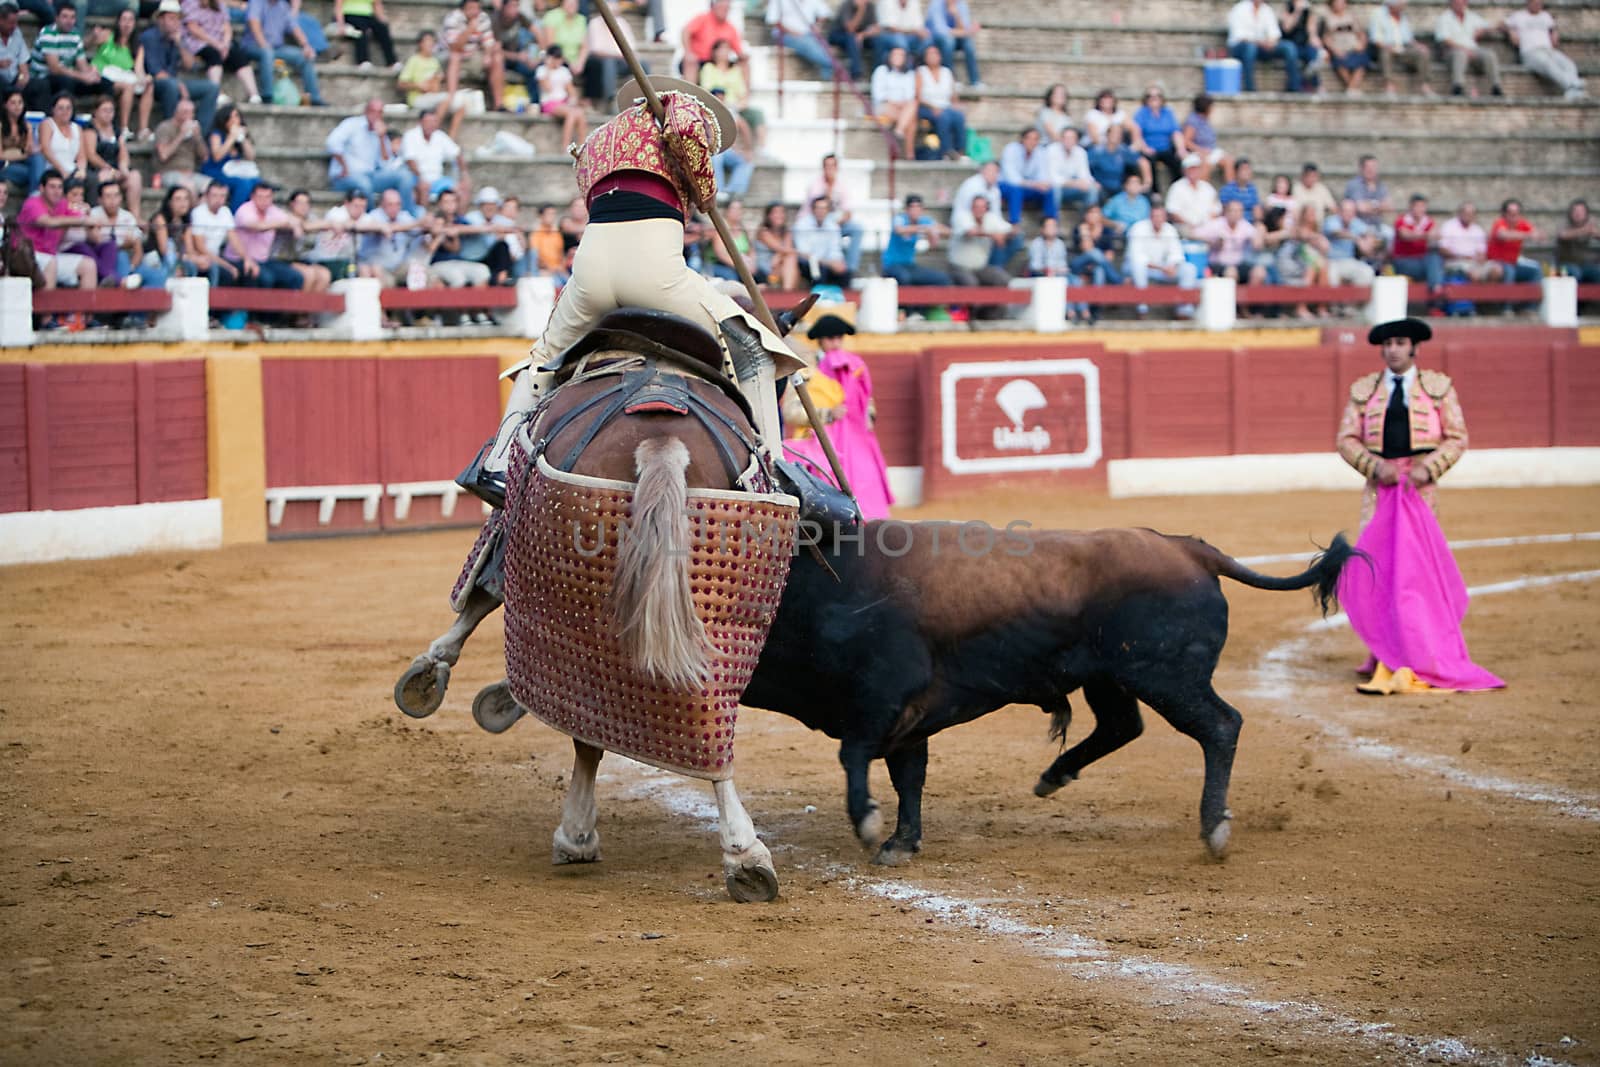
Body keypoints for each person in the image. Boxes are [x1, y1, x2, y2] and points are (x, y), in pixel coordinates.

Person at [461, 75, 807, 505]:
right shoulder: (680, 110)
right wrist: (706, 190)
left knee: (541, 360)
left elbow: (587, 184)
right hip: (652, 264)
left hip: (590, 265)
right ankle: (770, 478)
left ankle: (497, 463)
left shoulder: (600, 136)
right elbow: (683, 132)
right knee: (753, 350)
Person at [1335, 317, 1500, 695]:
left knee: (1417, 571)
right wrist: (1375, 466)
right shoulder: (1365, 391)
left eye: (1399, 342)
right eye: (1387, 343)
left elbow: (1457, 437)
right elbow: (1346, 440)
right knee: (1380, 568)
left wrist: (1430, 468)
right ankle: (1384, 653)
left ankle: (1422, 650)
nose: (1393, 348)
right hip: (1380, 490)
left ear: (1414, 348)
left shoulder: (1438, 388)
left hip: (1419, 490)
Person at [783, 313, 894, 520]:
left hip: (852, 444)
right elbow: (790, 412)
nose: (835, 343)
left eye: (839, 338)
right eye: (830, 338)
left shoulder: (851, 368)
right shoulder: (804, 372)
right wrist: (827, 415)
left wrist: (867, 416)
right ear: (821, 341)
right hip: (816, 445)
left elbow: (866, 400)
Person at [328, 99, 416, 213]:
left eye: (380, 112)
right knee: (364, 184)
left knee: (405, 176)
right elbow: (332, 143)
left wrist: (381, 138)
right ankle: (371, 217)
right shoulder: (351, 124)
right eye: (373, 111)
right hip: (346, 176)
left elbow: (386, 163)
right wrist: (344, 167)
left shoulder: (380, 132)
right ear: (366, 111)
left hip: (371, 175)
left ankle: (406, 216)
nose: (376, 115)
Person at [21, 169, 99, 291]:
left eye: (59, 187)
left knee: (88, 265)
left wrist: (87, 214)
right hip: (29, 256)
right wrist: (83, 221)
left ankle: (83, 310)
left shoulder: (62, 204)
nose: (57, 192)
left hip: (51, 256)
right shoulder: (32, 203)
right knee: (51, 263)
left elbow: (87, 222)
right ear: (42, 188)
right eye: (52, 187)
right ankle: (46, 310)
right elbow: (49, 222)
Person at [181, 0, 261, 106]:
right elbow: (193, 28)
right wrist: (216, 44)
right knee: (213, 55)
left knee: (239, 56)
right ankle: (217, 93)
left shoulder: (219, 4)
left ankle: (254, 95)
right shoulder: (189, 3)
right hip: (198, 43)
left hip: (220, 43)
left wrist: (225, 44)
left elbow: (227, 26)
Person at [1124, 200, 1195, 318]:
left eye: (1160, 216)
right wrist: (1163, 268)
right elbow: (1137, 257)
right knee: (1138, 266)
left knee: (1189, 269)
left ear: (1165, 218)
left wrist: (1171, 266)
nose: (1157, 219)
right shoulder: (1138, 228)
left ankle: (1184, 309)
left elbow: (1176, 253)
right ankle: (1142, 307)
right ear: (1150, 217)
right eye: (1155, 216)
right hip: (1136, 268)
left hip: (1161, 268)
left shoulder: (1170, 230)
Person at [25, 2, 101, 113]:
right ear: (56, 18)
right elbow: (55, 68)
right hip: (42, 79)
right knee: (66, 81)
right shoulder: (48, 34)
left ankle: (105, 123)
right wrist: (82, 76)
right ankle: (68, 119)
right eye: (65, 17)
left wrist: (91, 74)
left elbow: (82, 65)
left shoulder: (75, 35)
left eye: (72, 17)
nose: (69, 21)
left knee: (104, 84)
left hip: (66, 76)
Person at [246, 0, 325, 107]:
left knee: (304, 57)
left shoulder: (283, 6)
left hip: (277, 48)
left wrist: (306, 45)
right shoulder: (256, 2)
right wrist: (264, 44)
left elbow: (294, 27)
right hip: (253, 46)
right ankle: (267, 96)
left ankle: (314, 98)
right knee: (267, 54)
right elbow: (254, 23)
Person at [1502, 0, 1585, 100]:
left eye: (1540, 3)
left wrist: (1554, 32)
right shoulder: (1518, 16)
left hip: (1548, 50)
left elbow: (1553, 28)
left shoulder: (1545, 16)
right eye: (1535, 3)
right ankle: (1573, 85)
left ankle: (1574, 89)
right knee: (1548, 64)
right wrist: (1511, 31)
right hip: (1530, 52)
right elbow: (1501, 25)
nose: (1538, 5)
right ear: (1529, 3)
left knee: (1569, 64)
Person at [399, 31, 473, 142]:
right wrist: (418, 85)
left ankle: (451, 139)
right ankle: (432, 132)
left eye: (432, 42)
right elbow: (401, 84)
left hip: (433, 97)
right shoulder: (414, 60)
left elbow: (437, 85)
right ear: (420, 44)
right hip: (417, 98)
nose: (430, 44)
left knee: (462, 105)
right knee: (446, 98)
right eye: (427, 41)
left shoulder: (434, 62)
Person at [944, 192, 1010, 310]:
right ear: (971, 208)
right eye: (976, 207)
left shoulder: (991, 218)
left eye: (982, 207)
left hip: (979, 267)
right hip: (958, 266)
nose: (978, 210)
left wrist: (1004, 236)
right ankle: (972, 319)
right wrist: (994, 235)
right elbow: (970, 232)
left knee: (1002, 278)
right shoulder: (962, 217)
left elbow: (1011, 229)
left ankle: (991, 316)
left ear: (986, 208)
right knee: (971, 283)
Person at [96, 8, 155, 136]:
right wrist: (93, 36)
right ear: (118, 22)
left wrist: (145, 79)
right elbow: (88, 45)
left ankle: (143, 129)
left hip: (124, 76)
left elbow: (139, 69)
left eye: (130, 20)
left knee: (149, 86)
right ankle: (124, 128)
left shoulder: (137, 46)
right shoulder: (107, 35)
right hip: (103, 75)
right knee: (128, 87)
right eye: (124, 20)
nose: (127, 23)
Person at [440, 0, 504, 111]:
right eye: (471, 8)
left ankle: (499, 104)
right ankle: (452, 100)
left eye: (477, 8)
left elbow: (488, 41)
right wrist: (469, 29)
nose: (475, 12)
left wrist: (488, 55)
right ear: (463, 8)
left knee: (497, 57)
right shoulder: (453, 18)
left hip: (473, 56)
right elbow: (455, 47)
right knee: (455, 56)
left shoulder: (483, 17)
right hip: (450, 58)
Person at [805, 153, 862, 274]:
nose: (829, 169)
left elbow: (848, 211)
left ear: (837, 168)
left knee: (857, 228)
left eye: (832, 166)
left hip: (836, 221)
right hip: (816, 222)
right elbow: (818, 209)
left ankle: (851, 268)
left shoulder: (842, 185)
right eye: (827, 166)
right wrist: (829, 193)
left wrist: (838, 221)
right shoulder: (815, 185)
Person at [1227, 0, 1301, 93]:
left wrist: (1271, 42)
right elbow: (1239, 36)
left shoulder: (1267, 10)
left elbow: (1274, 33)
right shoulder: (1239, 9)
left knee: (1289, 47)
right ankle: (1250, 89)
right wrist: (1260, 43)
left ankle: (1294, 87)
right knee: (1250, 48)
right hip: (1240, 47)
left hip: (1262, 47)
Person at [1434, 0, 1502, 98]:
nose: (1460, 5)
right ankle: (1458, 87)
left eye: (1463, 2)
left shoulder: (1472, 16)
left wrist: (1482, 31)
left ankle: (1496, 87)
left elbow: (1488, 26)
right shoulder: (1444, 18)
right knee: (1460, 54)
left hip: (1472, 49)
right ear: (1452, 3)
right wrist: (1464, 49)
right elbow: (1444, 40)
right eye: (1457, 2)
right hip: (1452, 51)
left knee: (1489, 54)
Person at [880, 192, 951, 285]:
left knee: (942, 279)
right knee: (904, 278)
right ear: (907, 210)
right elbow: (899, 230)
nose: (915, 211)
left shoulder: (924, 221)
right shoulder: (900, 219)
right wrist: (923, 228)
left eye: (918, 207)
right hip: (892, 265)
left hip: (909, 265)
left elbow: (947, 231)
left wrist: (933, 232)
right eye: (912, 207)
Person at [401, 106, 464, 209]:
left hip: (437, 179)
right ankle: (423, 219)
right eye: (428, 121)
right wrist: (421, 179)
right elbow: (410, 161)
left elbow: (457, 153)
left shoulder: (440, 136)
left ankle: (458, 220)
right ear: (421, 122)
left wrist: (464, 175)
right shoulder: (410, 136)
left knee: (460, 189)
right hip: (416, 178)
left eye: (434, 121)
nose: (431, 124)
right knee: (423, 187)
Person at [1367, 0, 1432, 96]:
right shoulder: (1378, 14)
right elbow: (1375, 38)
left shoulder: (1403, 16)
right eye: (1400, 5)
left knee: (1423, 52)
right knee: (1385, 52)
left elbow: (1409, 38)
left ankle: (1425, 85)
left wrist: (1419, 46)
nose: (1402, 7)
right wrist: (1388, 47)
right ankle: (1389, 85)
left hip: (1403, 48)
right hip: (1385, 47)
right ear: (1391, 5)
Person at [1194, 198, 1266, 283]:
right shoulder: (1216, 224)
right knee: (1231, 272)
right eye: (1234, 211)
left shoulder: (1244, 225)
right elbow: (1193, 234)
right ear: (1226, 212)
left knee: (1259, 271)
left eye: (1240, 211)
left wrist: (1259, 236)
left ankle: (1252, 296)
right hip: (1218, 264)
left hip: (1240, 264)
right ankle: (1235, 296)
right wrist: (1212, 241)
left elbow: (1257, 243)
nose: (1237, 214)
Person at [187, 176, 242, 286]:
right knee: (226, 273)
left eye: (222, 196)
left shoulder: (226, 212)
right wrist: (227, 266)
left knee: (246, 270)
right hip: (202, 257)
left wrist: (247, 259)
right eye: (215, 195)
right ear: (207, 196)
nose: (218, 199)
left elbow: (235, 239)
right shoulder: (198, 213)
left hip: (217, 257)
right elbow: (200, 247)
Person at [201, 102, 257, 209]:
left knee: (256, 182)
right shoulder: (216, 134)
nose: (234, 120)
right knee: (243, 184)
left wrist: (243, 139)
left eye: (236, 116)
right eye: (231, 117)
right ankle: (235, 214)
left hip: (234, 171)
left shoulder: (240, 135)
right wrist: (231, 138)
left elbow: (251, 156)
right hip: (217, 171)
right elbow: (217, 156)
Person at [913, 42, 963, 160]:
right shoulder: (921, 72)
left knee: (959, 116)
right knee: (943, 117)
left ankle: (960, 151)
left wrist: (956, 104)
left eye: (935, 53)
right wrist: (933, 107)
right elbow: (918, 97)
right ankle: (945, 152)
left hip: (945, 106)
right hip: (926, 107)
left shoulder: (946, 72)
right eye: (930, 54)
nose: (933, 56)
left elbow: (953, 94)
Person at [997, 126, 1055, 224]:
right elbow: (1012, 178)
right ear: (1022, 139)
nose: (1032, 142)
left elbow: (1043, 175)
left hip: (1028, 187)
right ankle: (1015, 222)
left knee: (1050, 190)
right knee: (1016, 190)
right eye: (1029, 138)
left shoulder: (1040, 152)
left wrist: (1042, 184)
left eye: (1035, 139)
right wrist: (1034, 184)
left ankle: (1050, 223)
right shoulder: (1011, 149)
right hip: (1006, 185)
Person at [1390, 192, 1443, 296]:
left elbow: (1435, 234)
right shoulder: (1402, 220)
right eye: (1417, 206)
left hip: (1422, 262)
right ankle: (1436, 291)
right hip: (1403, 261)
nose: (1420, 209)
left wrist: (1430, 236)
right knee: (1434, 263)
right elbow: (1405, 235)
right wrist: (1425, 235)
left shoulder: (1428, 222)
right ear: (1411, 207)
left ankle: (1436, 288)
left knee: (1434, 258)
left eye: (1422, 206)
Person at [1132, 84, 1183, 192]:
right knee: (1150, 161)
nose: (1154, 98)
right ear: (1146, 99)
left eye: (1157, 96)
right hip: (1149, 147)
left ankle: (1177, 190)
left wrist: (1180, 149)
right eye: (1150, 96)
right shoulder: (1141, 113)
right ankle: (1155, 193)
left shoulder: (1168, 112)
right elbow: (1137, 134)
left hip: (1166, 147)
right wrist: (1145, 148)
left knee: (1178, 160)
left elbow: (1176, 132)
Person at [768, 0, 836, 80]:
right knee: (808, 44)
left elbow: (825, 13)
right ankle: (831, 65)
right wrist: (793, 33)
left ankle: (828, 76)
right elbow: (774, 21)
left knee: (826, 49)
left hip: (807, 35)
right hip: (785, 34)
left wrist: (818, 25)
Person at [869, 44, 916, 160]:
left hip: (903, 107)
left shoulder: (909, 74)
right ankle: (909, 154)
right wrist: (895, 102)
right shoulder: (881, 71)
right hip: (884, 105)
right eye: (895, 54)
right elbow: (878, 95)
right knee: (911, 120)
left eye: (901, 55)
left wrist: (901, 104)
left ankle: (899, 132)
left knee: (912, 106)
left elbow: (910, 95)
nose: (898, 57)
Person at [1436, 200, 1499, 285]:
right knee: (1474, 274)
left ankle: (1488, 296)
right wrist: (1462, 256)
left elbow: (1482, 252)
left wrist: (1480, 258)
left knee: (1496, 270)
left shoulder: (1478, 230)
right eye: (1466, 213)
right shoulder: (1449, 226)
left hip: (1474, 262)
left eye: (1471, 213)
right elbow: (1442, 249)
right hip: (1455, 262)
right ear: (1460, 213)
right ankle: (1477, 296)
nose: (1468, 216)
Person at [792, 194, 850, 286]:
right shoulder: (801, 225)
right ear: (813, 210)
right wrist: (829, 263)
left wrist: (838, 263)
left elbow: (835, 250)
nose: (821, 211)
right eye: (818, 208)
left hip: (826, 262)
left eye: (824, 208)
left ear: (828, 210)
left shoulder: (833, 226)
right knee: (819, 270)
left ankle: (840, 299)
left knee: (845, 272)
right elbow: (804, 253)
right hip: (807, 263)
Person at [152, 95, 207, 193]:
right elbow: (164, 155)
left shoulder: (193, 130)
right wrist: (181, 135)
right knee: (189, 187)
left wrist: (198, 137)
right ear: (176, 112)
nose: (189, 116)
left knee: (212, 189)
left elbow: (204, 157)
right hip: (169, 173)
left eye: (191, 112)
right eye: (185, 112)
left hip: (191, 174)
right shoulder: (165, 128)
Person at [680, 0, 743, 85]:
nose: (724, 10)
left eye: (726, 8)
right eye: (721, 7)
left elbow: (739, 52)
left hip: (718, 64)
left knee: (744, 62)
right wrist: (688, 52)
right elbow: (685, 31)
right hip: (699, 62)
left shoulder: (731, 28)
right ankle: (689, 94)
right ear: (714, 6)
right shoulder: (702, 19)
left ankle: (744, 96)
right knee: (690, 60)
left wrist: (743, 57)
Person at [535, 45, 585, 148]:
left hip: (563, 102)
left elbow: (570, 90)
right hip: (549, 103)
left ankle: (582, 144)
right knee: (571, 114)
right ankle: (565, 146)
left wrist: (573, 100)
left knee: (580, 113)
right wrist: (548, 68)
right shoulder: (541, 70)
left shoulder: (564, 71)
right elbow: (547, 87)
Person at [1322, 196, 1380, 285]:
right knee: (1331, 277)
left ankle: (1358, 299)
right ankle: (1334, 299)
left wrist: (1369, 242)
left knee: (1367, 272)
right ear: (1339, 211)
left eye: (1351, 211)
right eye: (1346, 211)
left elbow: (1369, 232)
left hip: (1349, 260)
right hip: (1331, 261)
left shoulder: (1355, 222)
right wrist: (1357, 239)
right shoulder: (1331, 221)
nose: (1348, 214)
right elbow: (1337, 233)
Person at [1316, 0, 1368, 93]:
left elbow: (1362, 34)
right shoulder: (1328, 18)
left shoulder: (1352, 17)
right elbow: (1325, 38)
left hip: (1354, 47)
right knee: (1339, 62)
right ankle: (1352, 88)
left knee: (1363, 60)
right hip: (1338, 49)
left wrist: (1362, 45)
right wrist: (1335, 50)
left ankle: (1351, 88)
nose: (1339, 5)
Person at [1485, 197, 1541, 284]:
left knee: (1535, 269)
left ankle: (1532, 297)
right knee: (1510, 271)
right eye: (1510, 213)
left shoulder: (1522, 223)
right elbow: (1502, 234)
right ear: (1504, 214)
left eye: (1516, 213)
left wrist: (1535, 235)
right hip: (1497, 262)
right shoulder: (1500, 222)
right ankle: (1508, 297)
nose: (1514, 216)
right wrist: (1527, 235)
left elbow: (1537, 234)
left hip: (1514, 262)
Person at [1087, 123, 1148, 200]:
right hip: (1101, 186)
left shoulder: (1123, 151)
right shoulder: (1096, 152)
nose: (1116, 136)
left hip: (1119, 187)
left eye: (1119, 134)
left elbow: (1142, 162)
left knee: (1139, 192)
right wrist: (1092, 182)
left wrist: (1146, 183)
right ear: (1107, 135)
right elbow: (1085, 169)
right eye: (1114, 133)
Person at [924, 0, 978, 86]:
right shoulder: (936, 3)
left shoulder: (961, 4)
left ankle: (975, 82)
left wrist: (956, 15)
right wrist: (966, 32)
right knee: (949, 42)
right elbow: (940, 31)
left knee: (968, 45)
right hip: (936, 39)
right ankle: (951, 80)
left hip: (955, 38)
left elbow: (964, 27)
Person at [1180, 94, 1230, 186]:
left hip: (1210, 150)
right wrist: (1200, 150)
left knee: (1228, 160)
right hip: (1196, 152)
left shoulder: (1205, 120)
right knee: (1205, 164)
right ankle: (1203, 191)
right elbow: (1186, 142)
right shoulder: (1192, 121)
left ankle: (1231, 190)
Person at [1163, 153, 1219, 236]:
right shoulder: (1176, 188)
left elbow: (1216, 209)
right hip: (1185, 226)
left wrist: (1206, 223)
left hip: (1207, 225)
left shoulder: (1207, 188)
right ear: (1184, 171)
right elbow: (1172, 212)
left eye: (1195, 169)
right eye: (1190, 169)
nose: (1193, 171)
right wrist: (1190, 224)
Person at [333, 0, 398, 70]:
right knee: (361, 29)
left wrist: (383, 21)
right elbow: (338, 6)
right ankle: (363, 61)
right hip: (349, 15)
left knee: (382, 29)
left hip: (368, 16)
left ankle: (392, 62)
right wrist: (341, 25)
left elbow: (377, 5)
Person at [1044, 126, 1096, 211]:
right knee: (1055, 189)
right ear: (1061, 139)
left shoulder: (1081, 152)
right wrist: (1074, 183)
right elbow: (1052, 178)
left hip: (1071, 188)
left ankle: (1086, 221)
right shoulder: (1051, 150)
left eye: (1072, 138)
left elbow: (1085, 175)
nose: (1068, 141)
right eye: (1066, 138)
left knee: (1092, 189)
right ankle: (1052, 220)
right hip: (1056, 187)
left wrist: (1089, 182)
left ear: (1077, 140)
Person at [1278, 0, 1323, 92]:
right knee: (1292, 51)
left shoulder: (1308, 10)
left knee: (1313, 53)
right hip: (1289, 45)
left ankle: (1316, 85)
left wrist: (1314, 38)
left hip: (1303, 45)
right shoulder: (1287, 8)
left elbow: (1311, 30)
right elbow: (1287, 28)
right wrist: (1297, 11)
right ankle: (1296, 86)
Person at [827, 0, 877, 83]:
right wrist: (861, 10)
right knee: (852, 39)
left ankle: (878, 74)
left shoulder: (870, 6)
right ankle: (856, 75)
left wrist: (863, 34)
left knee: (878, 41)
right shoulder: (847, 5)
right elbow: (850, 28)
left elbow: (877, 28)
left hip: (858, 35)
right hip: (838, 35)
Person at [0, 88, 39, 192]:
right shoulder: (1, 126)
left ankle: (34, 196)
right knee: (36, 173)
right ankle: (35, 196)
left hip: (20, 165)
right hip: (3, 166)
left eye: (20, 102)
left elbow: (30, 151)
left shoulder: (27, 126)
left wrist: (23, 153)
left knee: (37, 159)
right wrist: (23, 153)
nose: (17, 106)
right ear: (5, 105)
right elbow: (1, 155)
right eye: (13, 103)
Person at [754, 201, 800, 288]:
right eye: (775, 212)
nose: (779, 215)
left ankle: (787, 292)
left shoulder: (787, 232)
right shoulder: (763, 232)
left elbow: (787, 250)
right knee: (791, 259)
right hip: (766, 265)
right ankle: (788, 293)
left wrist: (778, 256)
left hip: (779, 264)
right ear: (769, 216)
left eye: (781, 212)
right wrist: (781, 254)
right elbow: (781, 249)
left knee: (791, 259)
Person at [1555, 199, 1599, 283]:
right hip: (1565, 264)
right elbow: (1563, 235)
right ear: (1570, 213)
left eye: (1581, 211)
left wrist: (1595, 233)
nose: (1578, 214)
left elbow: (1595, 232)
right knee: (1575, 272)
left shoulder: (1590, 225)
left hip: (1585, 264)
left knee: (1597, 272)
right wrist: (1584, 230)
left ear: (1586, 214)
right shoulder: (1565, 224)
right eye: (1575, 211)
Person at [872, 0, 925, 68]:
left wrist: (922, 33)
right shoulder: (886, 2)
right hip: (886, 35)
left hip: (909, 36)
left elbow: (919, 27)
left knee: (927, 41)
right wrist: (913, 31)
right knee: (901, 41)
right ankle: (908, 71)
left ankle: (920, 70)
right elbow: (891, 28)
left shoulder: (914, 2)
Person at [1218, 156, 1260, 221]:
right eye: (1244, 169)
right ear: (1236, 172)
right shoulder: (1227, 189)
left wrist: (1258, 221)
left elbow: (1256, 209)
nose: (1247, 172)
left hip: (1250, 223)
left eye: (1249, 169)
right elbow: (1224, 211)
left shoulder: (1252, 189)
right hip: (1234, 222)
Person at [0, 2, 27, 102]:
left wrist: (22, 76)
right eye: (11, 23)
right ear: (1, 20)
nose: (14, 26)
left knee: (40, 85)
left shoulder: (17, 33)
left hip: (15, 78)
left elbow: (23, 62)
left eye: (16, 22)